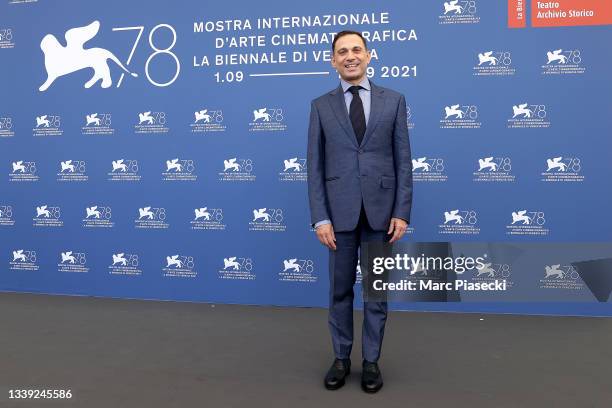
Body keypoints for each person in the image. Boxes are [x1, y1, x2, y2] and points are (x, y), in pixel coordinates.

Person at [306, 30, 413, 393]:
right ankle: (340, 358)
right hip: (338, 216)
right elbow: (314, 167)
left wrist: (402, 212)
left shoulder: (394, 101)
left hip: (382, 215)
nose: (350, 56)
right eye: (342, 52)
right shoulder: (320, 106)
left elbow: (403, 161)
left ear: (369, 55)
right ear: (333, 61)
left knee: (376, 291)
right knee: (339, 292)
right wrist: (321, 217)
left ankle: (370, 362)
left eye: (356, 50)